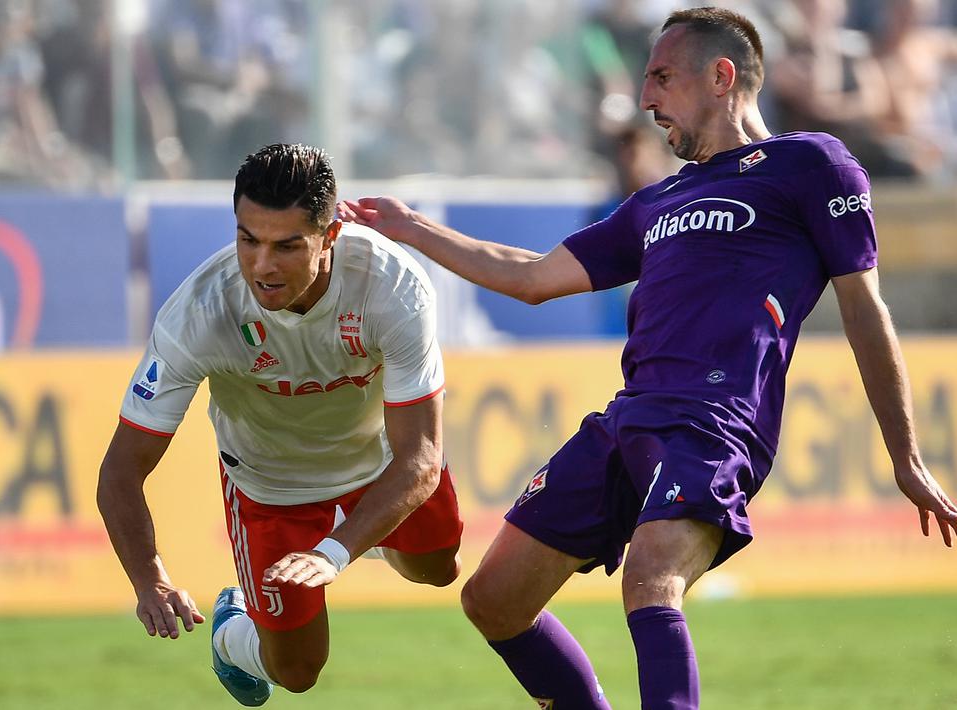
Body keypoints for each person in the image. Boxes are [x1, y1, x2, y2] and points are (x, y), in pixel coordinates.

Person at [341, 7, 957, 709]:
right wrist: (412, 227)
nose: (645, 100)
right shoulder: (655, 202)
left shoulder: (809, 163)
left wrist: (905, 456)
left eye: (661, 77)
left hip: (716, 423)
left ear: (720, 77)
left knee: (649, 578)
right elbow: (531, 276)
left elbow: (863, 307)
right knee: (492, 600)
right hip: (629, 418)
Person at [97, 143, 463, 706]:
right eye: (249, 240)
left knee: (438, 569)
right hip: (271, 488)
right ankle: (229, 633)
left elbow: (420, 457)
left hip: (382, 463)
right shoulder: (199, 314)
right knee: (295, 673)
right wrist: (150, 579)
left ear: (330, 236)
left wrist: (334, 551)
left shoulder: (392, 285)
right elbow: (120, 473)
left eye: (287, 245)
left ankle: (359, 532)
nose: (262, 266)